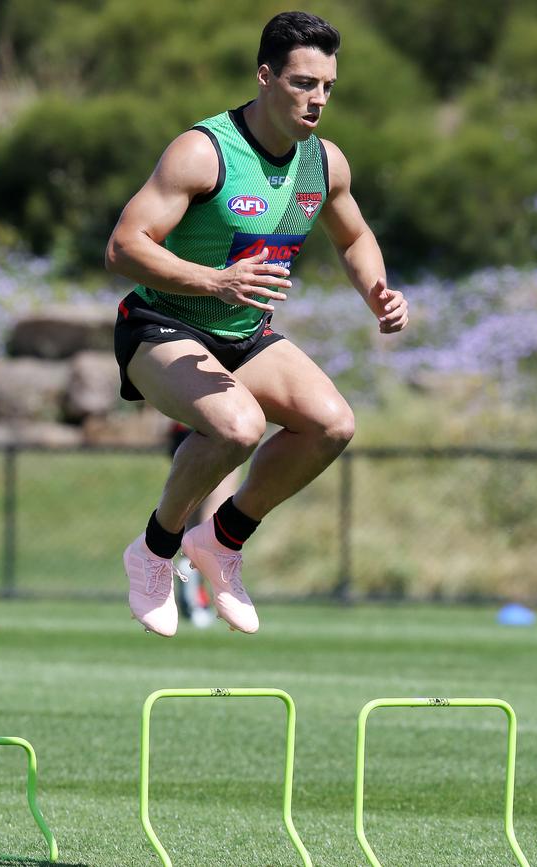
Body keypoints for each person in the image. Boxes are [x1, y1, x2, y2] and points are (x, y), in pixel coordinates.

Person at [108, 10, 409, 638]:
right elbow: (124, 247)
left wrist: (378, 292)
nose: (317, 99)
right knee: (238, 427)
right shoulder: (204, 151)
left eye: (327, 85)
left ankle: (221, 543)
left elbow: (354, 238)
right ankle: (155, 549)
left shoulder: (323, 164)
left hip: (242, 333)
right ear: (265, 76)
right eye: (303, 83)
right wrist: (216, 279)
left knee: (332, 424)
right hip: (159, 323)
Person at [168, 422, 240, 629]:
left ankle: (193, 585)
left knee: (193, 514)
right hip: (216, 430)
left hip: (182, 431)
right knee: (213, 518)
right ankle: (193, 579)